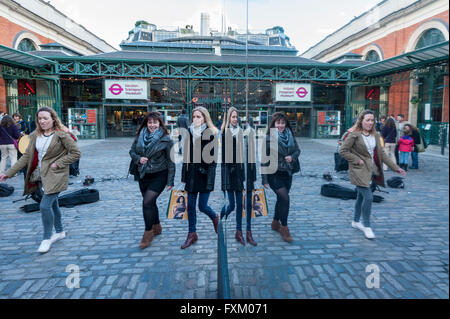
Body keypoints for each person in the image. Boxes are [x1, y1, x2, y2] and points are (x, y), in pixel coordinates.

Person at [0, 107, 81, 253]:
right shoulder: (35, 135)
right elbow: (26, 156)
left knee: (44, 206)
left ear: (53, 119)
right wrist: (9, 173)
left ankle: (46, 238)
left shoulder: (61, 134)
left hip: (57, 175)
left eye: (45, 118)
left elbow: (76, 153)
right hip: (41, 175)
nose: (42, 121)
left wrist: (59, 163)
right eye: (39, 118)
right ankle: (60, 231)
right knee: (54, 204)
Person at [339, 110, 406, 240]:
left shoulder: (376, 135)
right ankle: (367, 226)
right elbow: (343, 150)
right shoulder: (354, 135)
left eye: (372, 120)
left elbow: (382, 155)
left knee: (360, 196)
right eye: (367, 120)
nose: (370, 122)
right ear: (361, 121)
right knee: (368, 197)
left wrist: (396, 168)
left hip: (371, 170)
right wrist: (356, 159)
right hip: (358, 170)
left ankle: (355, 221)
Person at [129, 111, 175, 249]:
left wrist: (170, 181)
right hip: (143, 175)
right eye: (150, 122)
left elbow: (171, 161)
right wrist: (138, 159)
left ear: (160, 123)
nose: (152, 125)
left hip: (159, 175)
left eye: (155, 122)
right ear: (146, 123)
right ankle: (157, 226)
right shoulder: (140, 136)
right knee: (150, 203)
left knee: (147, 202)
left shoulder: (166, 140)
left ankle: (148, 233)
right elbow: (132, 151)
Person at [180, 106, 219, 249]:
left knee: (202, 206)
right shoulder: (188, 133)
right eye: (194, 116)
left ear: (205, 118)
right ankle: (192, 234)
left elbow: (213, 160)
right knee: (190, 206)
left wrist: (205, 172)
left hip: (204, 175)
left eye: (199, 117)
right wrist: (184, 176)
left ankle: (215, 217)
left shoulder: (211, 134)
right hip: (191, 175)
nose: (196, 119)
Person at [220, 107, 257, 246]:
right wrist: (225, 181)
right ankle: (225, 222)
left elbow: (251, 155)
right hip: (232, 175)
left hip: (244, 174)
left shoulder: (244, 133)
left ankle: (245, 232)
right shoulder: (225, 134)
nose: (235, 119)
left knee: (246, 204)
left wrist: (253, 176)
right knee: (233, 205)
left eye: (236, 117)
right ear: (228, 118)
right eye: (233, 117)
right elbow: (224, 160)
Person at [262, 112, 301, 243]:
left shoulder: (290, 135)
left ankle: (275, 222)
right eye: (278, 123)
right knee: (285, 199)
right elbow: (264, 159)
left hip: (287, 173)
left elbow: (297, 150)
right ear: (273, 124)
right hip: (274, 173)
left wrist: (292, 157)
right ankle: (284, 227)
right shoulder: (268, 138)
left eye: (283, 123)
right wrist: (264, 180)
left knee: (281, 200)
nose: (280, 125)